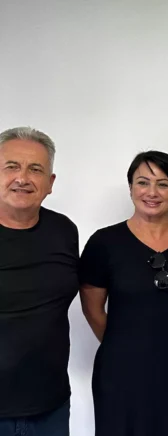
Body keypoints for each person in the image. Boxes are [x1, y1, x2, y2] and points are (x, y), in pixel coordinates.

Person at [78, 151, 168, 436]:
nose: (152, 192)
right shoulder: (104, 242)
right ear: (130, 188)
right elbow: (92, 308)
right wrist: (129, 345)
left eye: (163, 184)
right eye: (142, 183)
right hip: (123, 374)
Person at [0, 127, 77, 436]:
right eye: (11, 166)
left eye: (35, 169)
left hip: (50, 406)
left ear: (50, 183)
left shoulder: (64, 231)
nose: (22, 178)